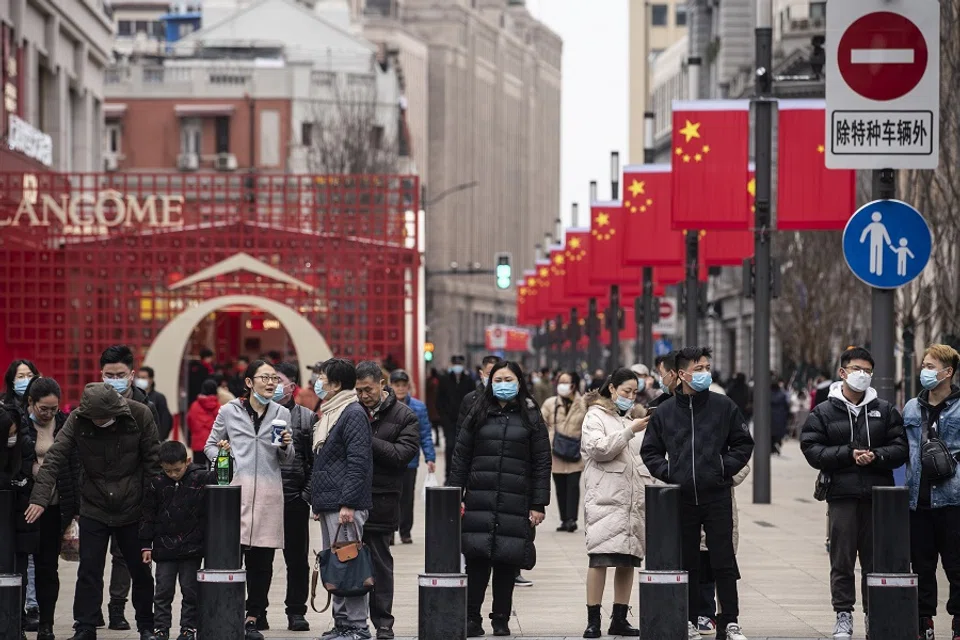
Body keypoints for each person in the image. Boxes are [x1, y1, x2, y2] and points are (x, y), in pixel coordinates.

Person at [25, 382, 161, 640]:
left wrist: (152, 511)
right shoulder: (78, 419)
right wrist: (40, 499)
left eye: (104, 418)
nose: (99, 422)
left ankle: (146, 625)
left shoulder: (140, 415)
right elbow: (55, 457)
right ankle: (85, 626)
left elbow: (153, 464)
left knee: (140, 570)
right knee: (88, 568)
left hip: (132, 506)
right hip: (94, 505)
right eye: (95, 418)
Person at [641, 346, 755, 640]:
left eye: (707, 367)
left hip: (716, 494)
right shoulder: (664, 411)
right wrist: (670, 473)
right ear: (681, 374)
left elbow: (743, 443)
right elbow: (650, 451)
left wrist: (722, 467)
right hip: (682, 497)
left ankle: (729, 620)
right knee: (687, 560)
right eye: (699, 368)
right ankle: (689, 618)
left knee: (723, 560)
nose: (705, 373)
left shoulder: (723, 406)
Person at [800, 346, 907, 640]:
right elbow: (811, 448)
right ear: (842, 372)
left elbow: (900, 449)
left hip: (877, 496)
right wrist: (848, 454)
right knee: (842, 560)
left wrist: (877, 456)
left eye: (867, 371)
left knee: (875, 562)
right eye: (857, 369)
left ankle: (874, 615)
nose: (862, 375)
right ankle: (843, 615)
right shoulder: (824, 411)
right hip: (842, 496)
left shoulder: (884, 411)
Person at [448, 361, 551, 638]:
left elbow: (542, 462)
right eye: (498, 379)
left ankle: (501, 618)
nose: (503, 384)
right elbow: (461, 457)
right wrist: (454, 494)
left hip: (516, 499)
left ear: (519, 381)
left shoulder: (531, 415)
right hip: (479, 497)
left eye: (508, 379)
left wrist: (538, 503)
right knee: (477, 560)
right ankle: (472, 617)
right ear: (489, 382)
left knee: (508, 560)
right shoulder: (477, 411)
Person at [204, 360, 294, 640]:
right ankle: (232, 609)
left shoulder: (281, 413)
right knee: (234, 557)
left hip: (268, 495)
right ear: (248, 382)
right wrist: (225, 456)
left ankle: (254, 614)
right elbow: (209, 445)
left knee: (263, 562)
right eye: (264, 378)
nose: (270, 383)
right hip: (236, 494)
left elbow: (287, 460)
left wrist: (287, 445)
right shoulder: (229, 411)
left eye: (274, 379)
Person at [580, 368, 654, 638]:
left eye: (635, 393)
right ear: (611, 388)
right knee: (599, 559)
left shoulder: (632, 419)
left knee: (628, 560)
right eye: (626, 391)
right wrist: (628, 432)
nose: (630, 397)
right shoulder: (595, 416)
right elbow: (598, 449)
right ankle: (593, 619)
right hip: (605, 499)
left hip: (632, 501)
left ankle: (619, 617)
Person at [354, 362, 420, 640]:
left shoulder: (405, 416)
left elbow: (401, 455)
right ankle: (350, 622)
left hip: (382, 499)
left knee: (380, 563)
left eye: (368, 389)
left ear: (381, 384)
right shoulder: (350, 411)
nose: (363, 395)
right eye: (358, 390)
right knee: (348, 562)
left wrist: (366, 439)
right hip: (351, 499)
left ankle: (383, 622)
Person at [309, 358, 374, 640]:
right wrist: (317, 501)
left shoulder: (352, 413)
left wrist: (348, 502)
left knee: (350, 564)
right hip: (330, 503)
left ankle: (358, 626)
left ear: (336, 384)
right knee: (336, 563)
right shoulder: (332, 413)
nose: (318, 382)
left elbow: (358, 462)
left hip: (345, 504)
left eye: (322, 378)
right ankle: (341, 623)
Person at [100, 344, 161, 631]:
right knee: (93, 559)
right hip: (98, 492)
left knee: (127, 558)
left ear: (131, 374)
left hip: (134, 493)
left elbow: (153, 453)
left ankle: (118, 609)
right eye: (109, 374)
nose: (114, 379)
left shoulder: (146, 407)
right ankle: (92, 613)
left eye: (120, 374)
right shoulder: (91, 405)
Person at [901, 344, 960, 640]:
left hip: (953, 500)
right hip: (918, 502)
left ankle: (958, 622)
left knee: (956, 565)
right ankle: (924, 622)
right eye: (923, 365)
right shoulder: (912, 407)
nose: (925, 371)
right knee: (921, 567)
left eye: (930, 366)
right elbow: (902, 448)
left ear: (947, 372)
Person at [17, 378, 79, 640]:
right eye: (44, 409)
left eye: (54, 409)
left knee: (47, 568)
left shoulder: (65, 424)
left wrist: (74, 509)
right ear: (31, 402)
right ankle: (17, 620)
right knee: (19, 566)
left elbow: (74, 465)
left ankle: (47, 624)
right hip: (24, 506)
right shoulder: (19, 425)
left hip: (55, 507)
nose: (49, 414)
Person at [140, 441, 215, 640]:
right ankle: (161, 628)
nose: (173, 474)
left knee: (190, 591)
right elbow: (148, 515)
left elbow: (223, 477)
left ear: (187, 462)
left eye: (177, 470)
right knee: (163, 590)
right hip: (164, 549)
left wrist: (224, 454)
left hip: (192, 547)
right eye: (168, 471)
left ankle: (188, 628)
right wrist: (146, 545)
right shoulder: (156, 483)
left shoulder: (199, 478)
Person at [389, 369, 437, 545]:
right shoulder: (385, 404)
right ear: (391, 386)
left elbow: (425, 433)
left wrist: (430, 457)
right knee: (390, 497)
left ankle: (405, 531)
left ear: (408, 387)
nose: (400, 389)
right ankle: (390, 532)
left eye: (403, 385)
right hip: (389, 459)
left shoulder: (418, 407)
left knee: (407, 498)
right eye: (397, 385)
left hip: (410, 460)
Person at [540, 370, 586, 533]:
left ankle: (572, 519)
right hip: (556, 452)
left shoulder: (583, 404)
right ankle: (564, 519)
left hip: (575, 451)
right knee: (560, 487)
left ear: (574, 385)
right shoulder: (550, 403)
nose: (562, 385)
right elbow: (540, 423)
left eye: (566, 382)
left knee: (573, 486)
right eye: (560, 382)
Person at [437, 355, 476, 482]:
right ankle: (448, 475)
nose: (457, 366)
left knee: (463, 448)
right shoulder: (444, 379)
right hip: (449, 420)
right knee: (450, 447)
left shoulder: (469, 380)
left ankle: (461, 475)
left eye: (459, 363)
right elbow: (439, 400)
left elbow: (473, 399)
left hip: (465, 420)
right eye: (455, 364)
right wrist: (443, 417)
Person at [187, 380, 221, 465]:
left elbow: (190, 422)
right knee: (214, 471)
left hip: (198, 443)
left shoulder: (194, 406)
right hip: (214, 443)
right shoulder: (218, 407)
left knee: (198, 470)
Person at [135, 367, 173, 442]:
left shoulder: (159, 398)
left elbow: (165, 420)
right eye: (139, 377)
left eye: (143, 378)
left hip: (154, 439)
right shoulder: (133, 396)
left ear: (151, 380)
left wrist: (160, 438)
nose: (140, 380)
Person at [770, 378, 790, 455]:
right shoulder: (782, 394)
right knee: (779, 432)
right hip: (780, 415)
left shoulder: (768, 394)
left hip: (770, 416)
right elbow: (786, 405)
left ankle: (773, 447)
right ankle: (777, 443)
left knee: (771, 433)